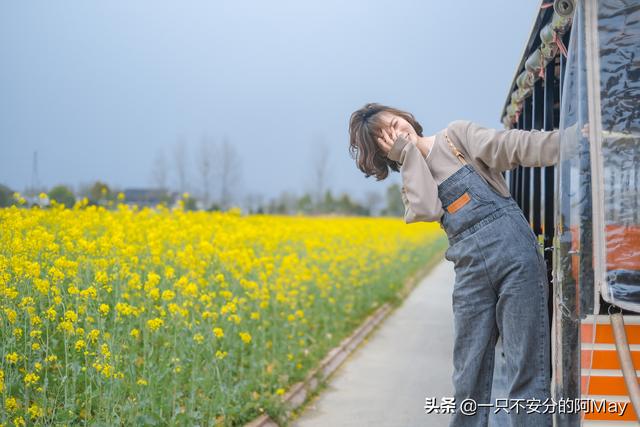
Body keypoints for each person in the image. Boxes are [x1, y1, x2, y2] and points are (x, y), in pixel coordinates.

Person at [348, 102, 561, 427]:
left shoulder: (454, 137)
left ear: (404, 116)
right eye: (384, 138)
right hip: (470, 272)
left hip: (515, 257)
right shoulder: (411, 181)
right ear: (383, 153)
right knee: (468, 374)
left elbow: (512, 146)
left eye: (392, 123)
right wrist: (408, 155)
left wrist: (568, 142)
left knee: (526, 368)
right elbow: (428, 207)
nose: (395, 133)